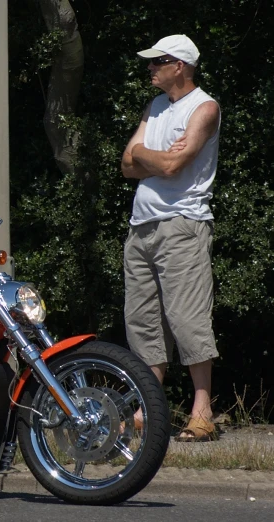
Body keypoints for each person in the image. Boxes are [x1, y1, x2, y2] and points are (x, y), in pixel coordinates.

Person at [121, 35, 221, 442]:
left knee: (187, 318)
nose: (150, 68)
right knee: (142, 322)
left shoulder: (205, 107)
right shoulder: (157, 105)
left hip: (182, 225)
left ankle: (203, 413)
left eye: (157, 62)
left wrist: (146, 154)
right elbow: (127, 164)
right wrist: (149, 158)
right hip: (141, 226)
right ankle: (148, 409)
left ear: (179, 65)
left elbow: (175, 164)